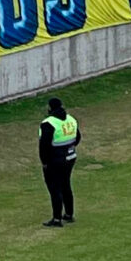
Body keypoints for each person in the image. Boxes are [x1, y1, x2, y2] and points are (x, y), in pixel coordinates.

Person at [38, 96, 79, 225]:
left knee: (55, 188)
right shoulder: (71, 119)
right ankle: (69, 214)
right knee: (66, 185)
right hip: (70, 157)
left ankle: (57, 219)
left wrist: (44, 162)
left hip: (55, 161)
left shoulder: (48, 123)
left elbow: (44, 146)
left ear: (50, 108)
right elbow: (77, 137)